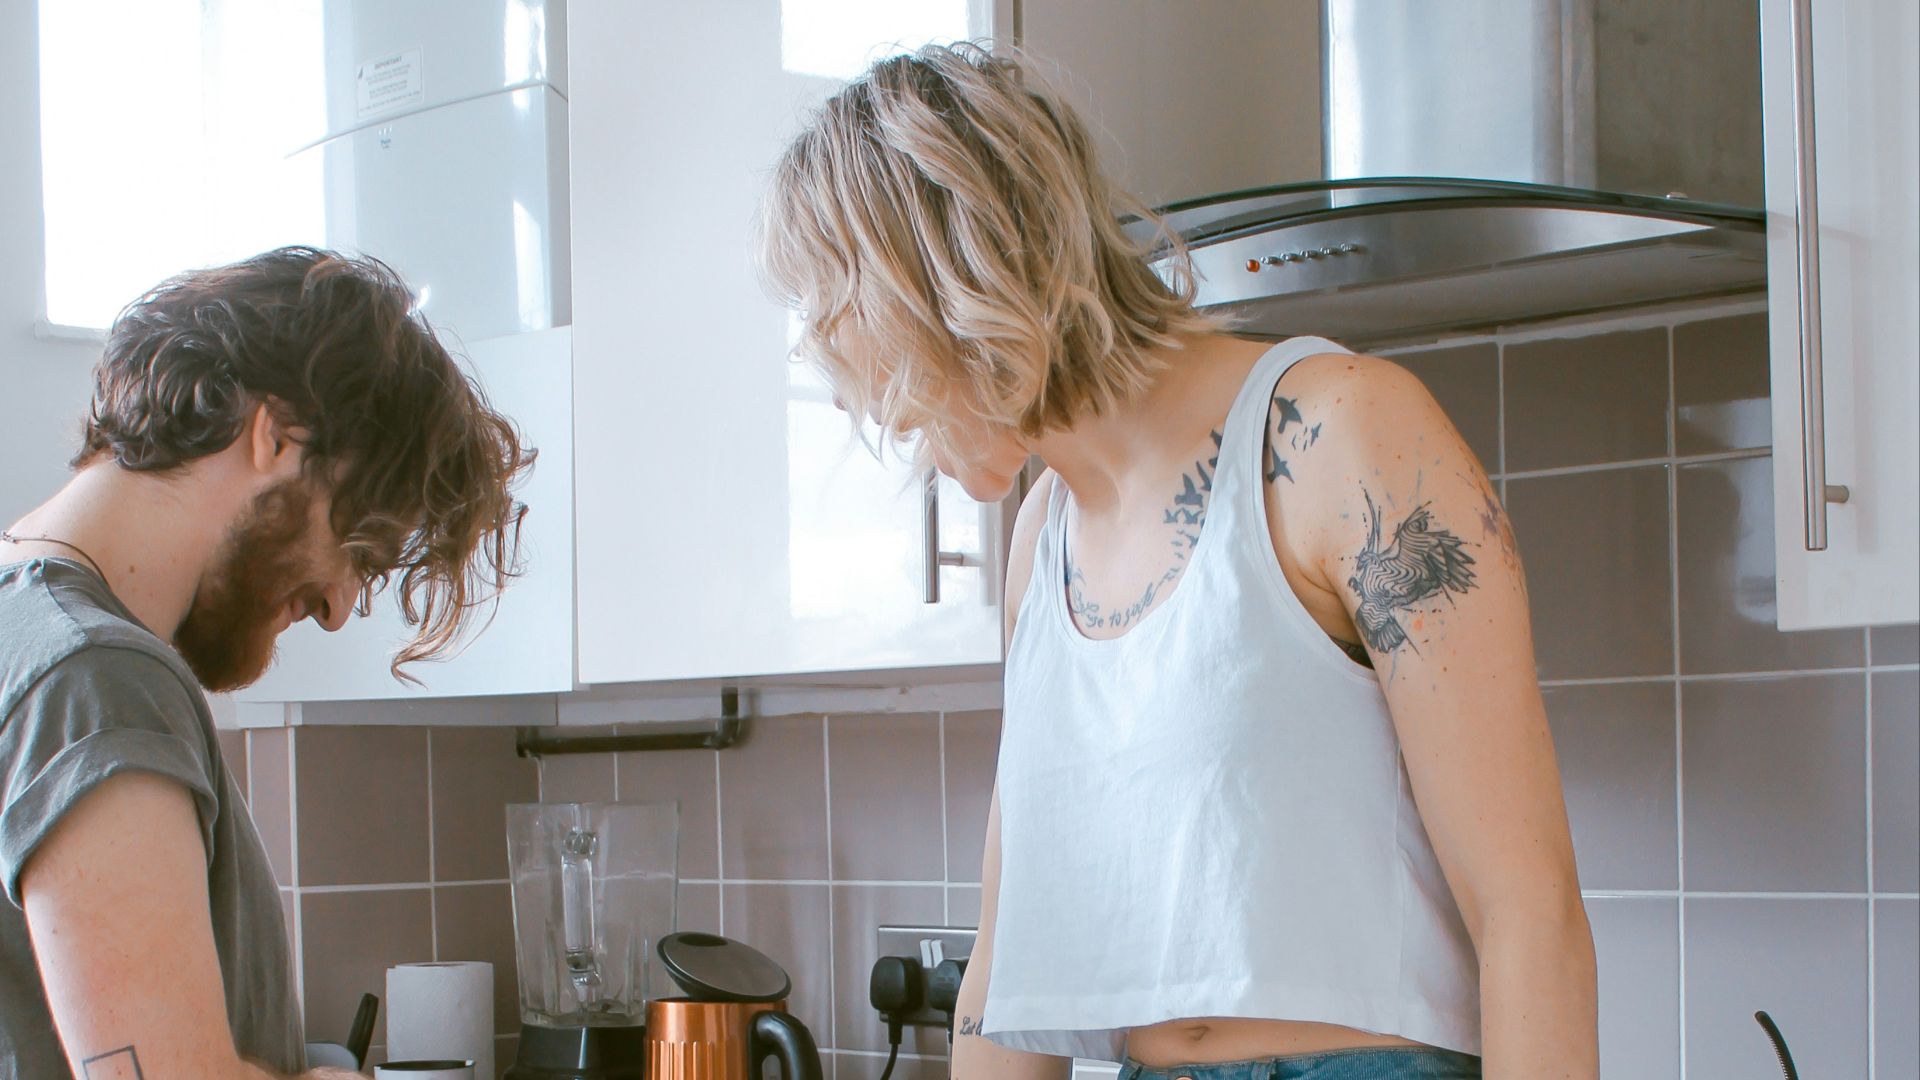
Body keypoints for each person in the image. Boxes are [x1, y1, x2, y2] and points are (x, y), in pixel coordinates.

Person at [759, 43, 1598, 1080]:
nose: (858, 400)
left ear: (947, 285)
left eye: (852, 336)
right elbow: (1003, 970)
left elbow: (1529, 908)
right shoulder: (1042, 538)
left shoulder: (1340, 434)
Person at [0, 247, 534, 1079]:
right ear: (275, 433)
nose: (337, 606)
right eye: (361, 541)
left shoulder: (23, 627)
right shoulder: (98, 679)